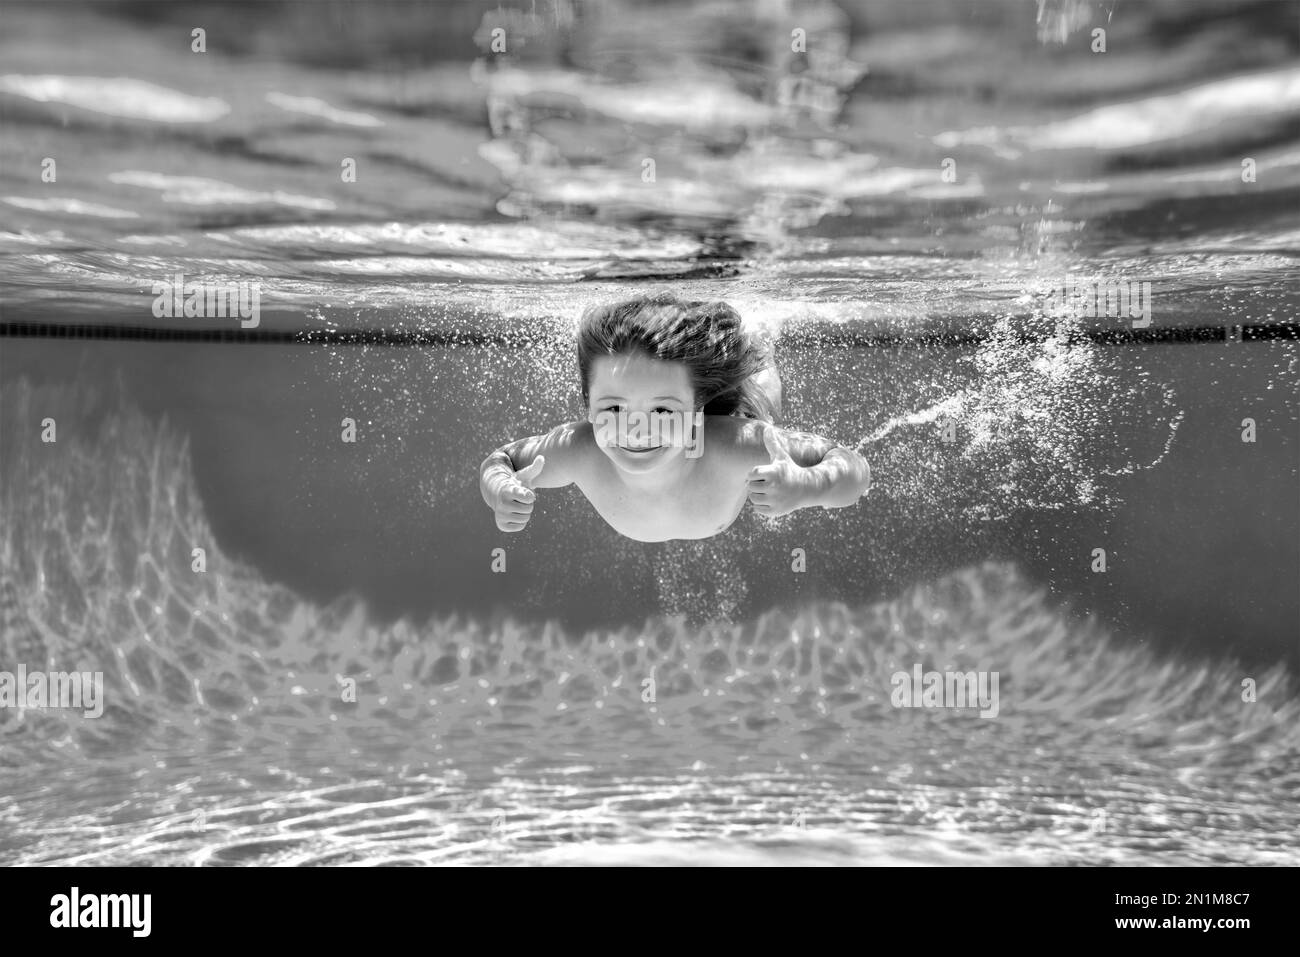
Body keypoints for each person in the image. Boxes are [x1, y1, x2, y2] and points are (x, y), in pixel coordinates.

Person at [479, 293, 869, 542]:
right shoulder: (577, 449)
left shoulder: (737, 445)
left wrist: (809, 486)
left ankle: (758, 333)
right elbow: (504, 459)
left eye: (662, 409)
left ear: (699, 408)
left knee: (759, 383)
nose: (636, 429)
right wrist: (500, 489)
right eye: (613, 408)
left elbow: (854, 469)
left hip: (741, 409)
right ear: (587, 404)